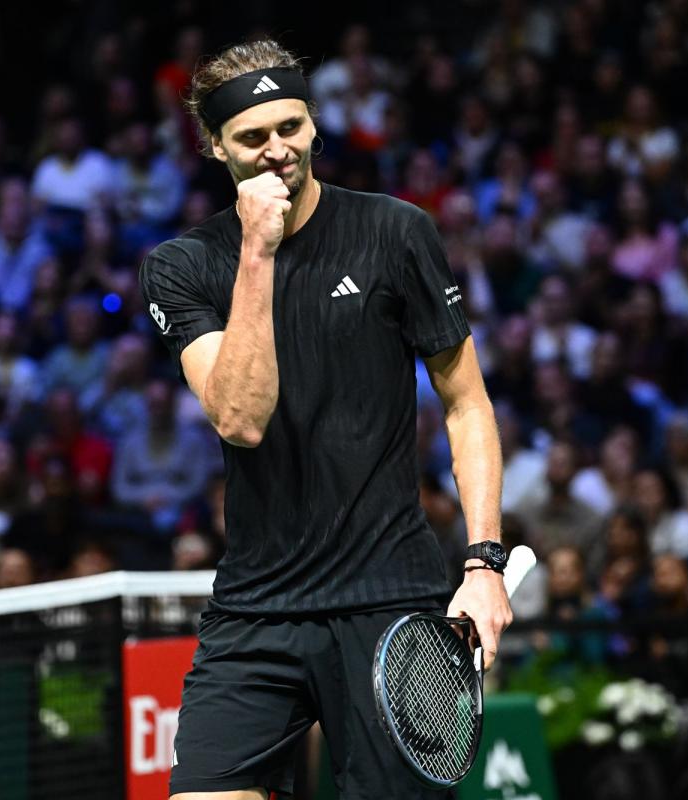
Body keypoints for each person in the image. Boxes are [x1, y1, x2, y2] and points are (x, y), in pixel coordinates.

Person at [138, 40, 511, 799]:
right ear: (215, 146)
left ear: (314, 124)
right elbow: (240, 418)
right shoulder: (183, 267)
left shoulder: (396, 234)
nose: (278, 150)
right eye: (252, 136)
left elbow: (466, 404)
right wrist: (258, 254)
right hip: (256, 608)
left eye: (292, 126)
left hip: (389, 602)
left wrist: (483, 565)